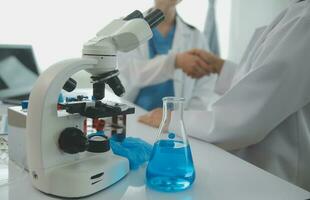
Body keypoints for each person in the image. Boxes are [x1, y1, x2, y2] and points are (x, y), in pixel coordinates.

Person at [139, 0, 310, 191]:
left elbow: (247, 114)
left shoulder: (304, 20)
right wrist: (220, 67)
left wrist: (177, 117)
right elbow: (262, 82)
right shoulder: (296, 14)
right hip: (150, 121)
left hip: (276, 177)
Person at [118, 0, 218, 111]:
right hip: (135, 118)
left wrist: (184, 118)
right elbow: (129, 72)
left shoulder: (196, 36)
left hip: (176, 122)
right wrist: (174, 61)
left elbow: (205, 85)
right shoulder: (127, 29)